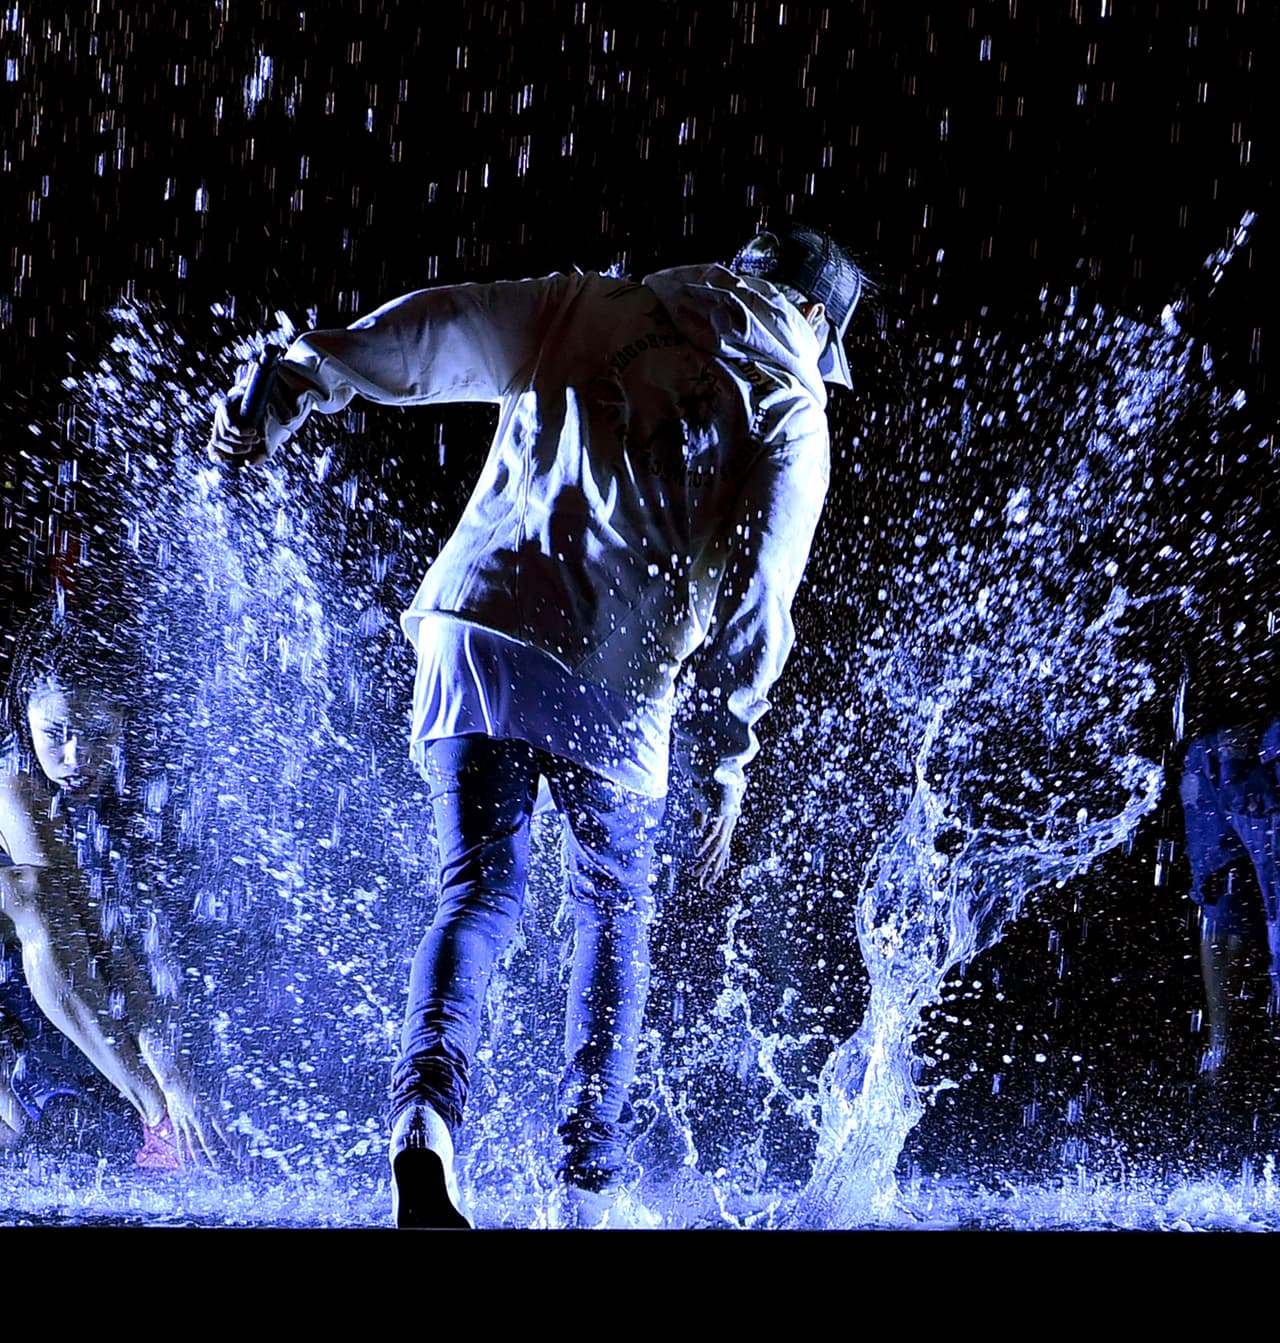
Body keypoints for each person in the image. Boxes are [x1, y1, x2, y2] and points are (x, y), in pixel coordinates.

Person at [209, 223, 865, 1227]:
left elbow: (444, 327)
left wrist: (303, 374)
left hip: (475, 625)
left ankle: (425, 1121)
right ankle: (586, 1182)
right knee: (610, 910)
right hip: (613, 676)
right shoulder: (790, 404)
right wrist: (725, 763)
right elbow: (757, 603)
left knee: (475, 893)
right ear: (813, 317)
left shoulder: (595, 302)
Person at [0, 609, 229, 1166]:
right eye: (55, 735)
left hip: (34, 987)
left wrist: (181, 1065)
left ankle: (152, 1114)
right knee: (34, 892)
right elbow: (87, 927)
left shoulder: (137, 789)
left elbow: (130, 938)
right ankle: (158, 1122)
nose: (75, 757)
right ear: (24, 716)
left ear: (123, 722)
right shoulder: (15, 782)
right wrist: (166, 1087)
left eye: (98, 735)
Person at [1179, 717, 1280, 1076]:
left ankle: (1223, 1053)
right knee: (1225, 889)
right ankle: (1221, 1052)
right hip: (1217, 748)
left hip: (1255, 739)